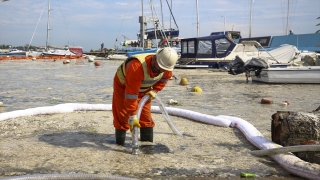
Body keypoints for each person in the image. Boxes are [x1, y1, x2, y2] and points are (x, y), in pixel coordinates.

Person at [112, 47, 179, 145]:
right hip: (124, 86)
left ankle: (147, 147)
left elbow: (164, 79)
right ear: (155, 58)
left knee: (145, 117)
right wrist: (133, 115)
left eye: (162, 70)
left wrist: (155, 90)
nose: (159, 71)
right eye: (157, 68)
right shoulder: (136, 66)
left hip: (145, 88)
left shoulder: (166, 67)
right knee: (122, 115)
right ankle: (119, 145)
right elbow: (131, 95)